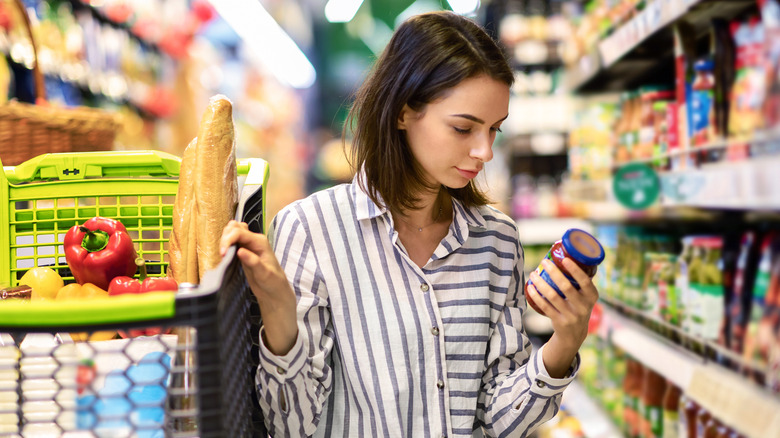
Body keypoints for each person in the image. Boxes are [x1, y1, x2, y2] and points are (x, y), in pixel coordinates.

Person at [219, 10, 598, 438]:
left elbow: (497, 420)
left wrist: (564, 342)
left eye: (494, 129)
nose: (485, 151)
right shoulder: (310, 229)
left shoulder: (496, 240)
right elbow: (290, 427)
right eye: (463, 128)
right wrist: (280, 316)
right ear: (402, 112)